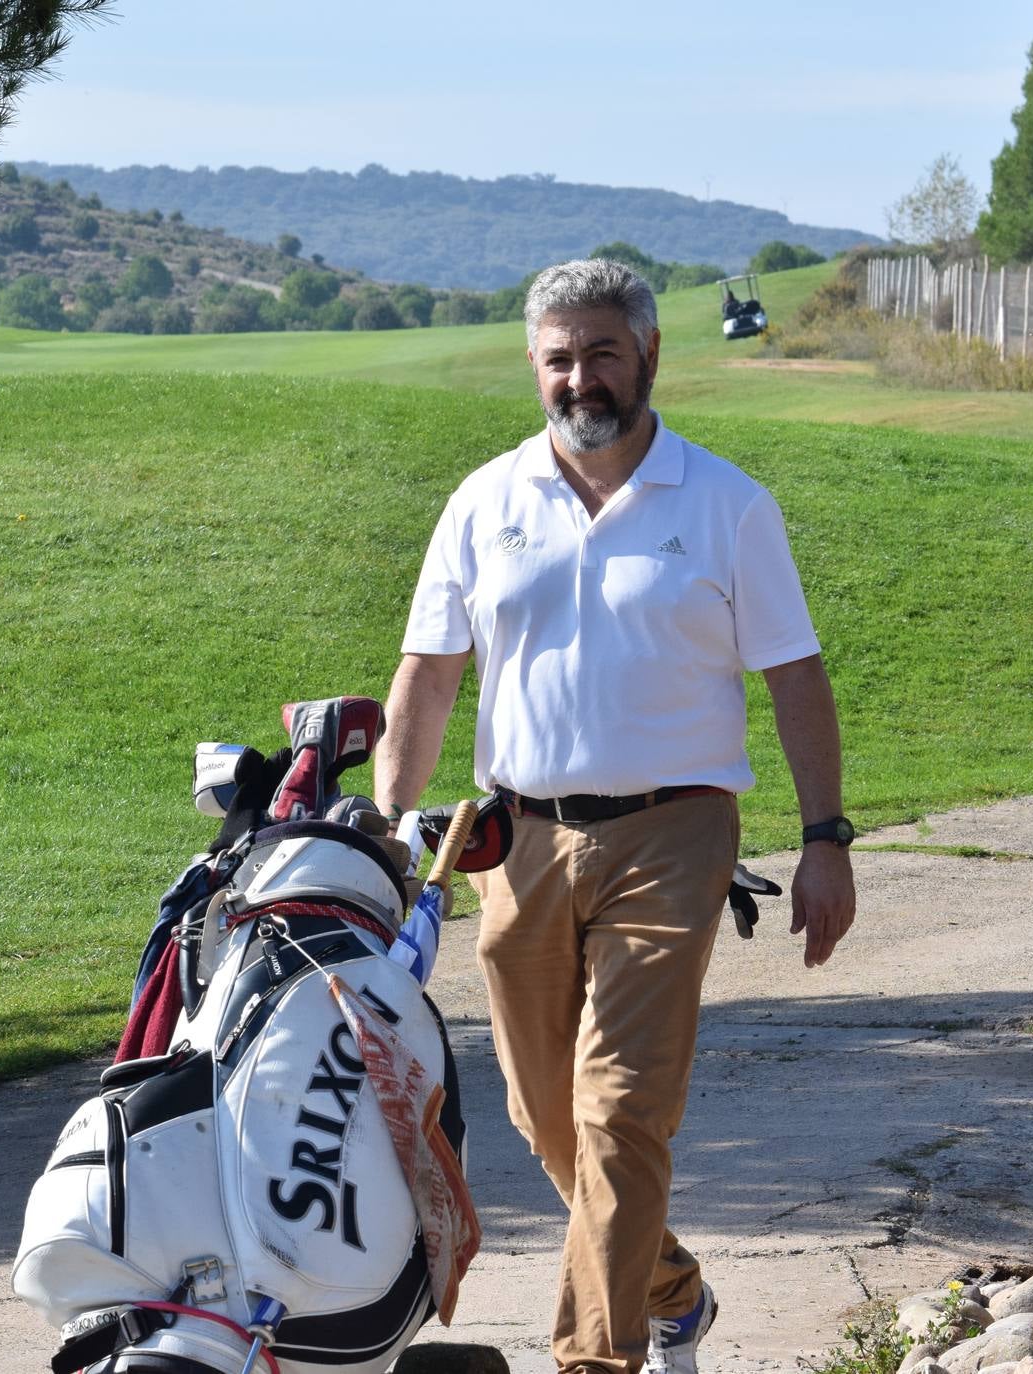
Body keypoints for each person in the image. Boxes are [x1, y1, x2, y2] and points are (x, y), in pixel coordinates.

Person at [375, 258, 856, 1374]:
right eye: (558, 358)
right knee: (545, 1117)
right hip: (514, 837)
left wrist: (826, 839)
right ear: (534, 368)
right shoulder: (484, 501)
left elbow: (796, 680)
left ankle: (600, 1356)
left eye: (600, 353)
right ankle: (670, 1285)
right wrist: (395, 829)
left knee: (622, 1111)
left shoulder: (727, 504)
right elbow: (429, 676)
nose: (579, 378)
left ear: (647, 355)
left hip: (674, 833)